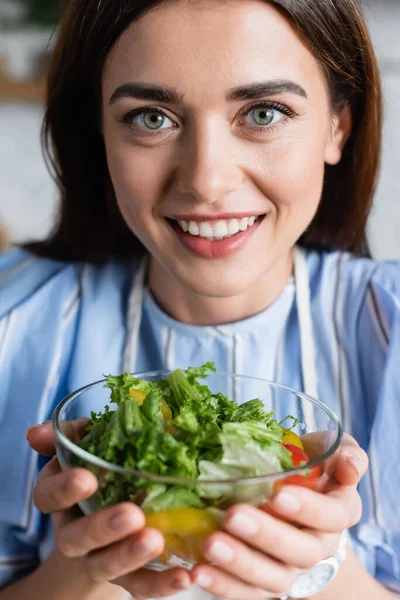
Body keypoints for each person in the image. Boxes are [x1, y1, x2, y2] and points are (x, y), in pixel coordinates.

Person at [0, 0, 399, 598]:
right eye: (151, 118)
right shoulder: (11, 324)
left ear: (337, 127)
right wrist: (81, 570)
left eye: (264, 112)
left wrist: (323, 569)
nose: (207, 180)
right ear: (99, 136)